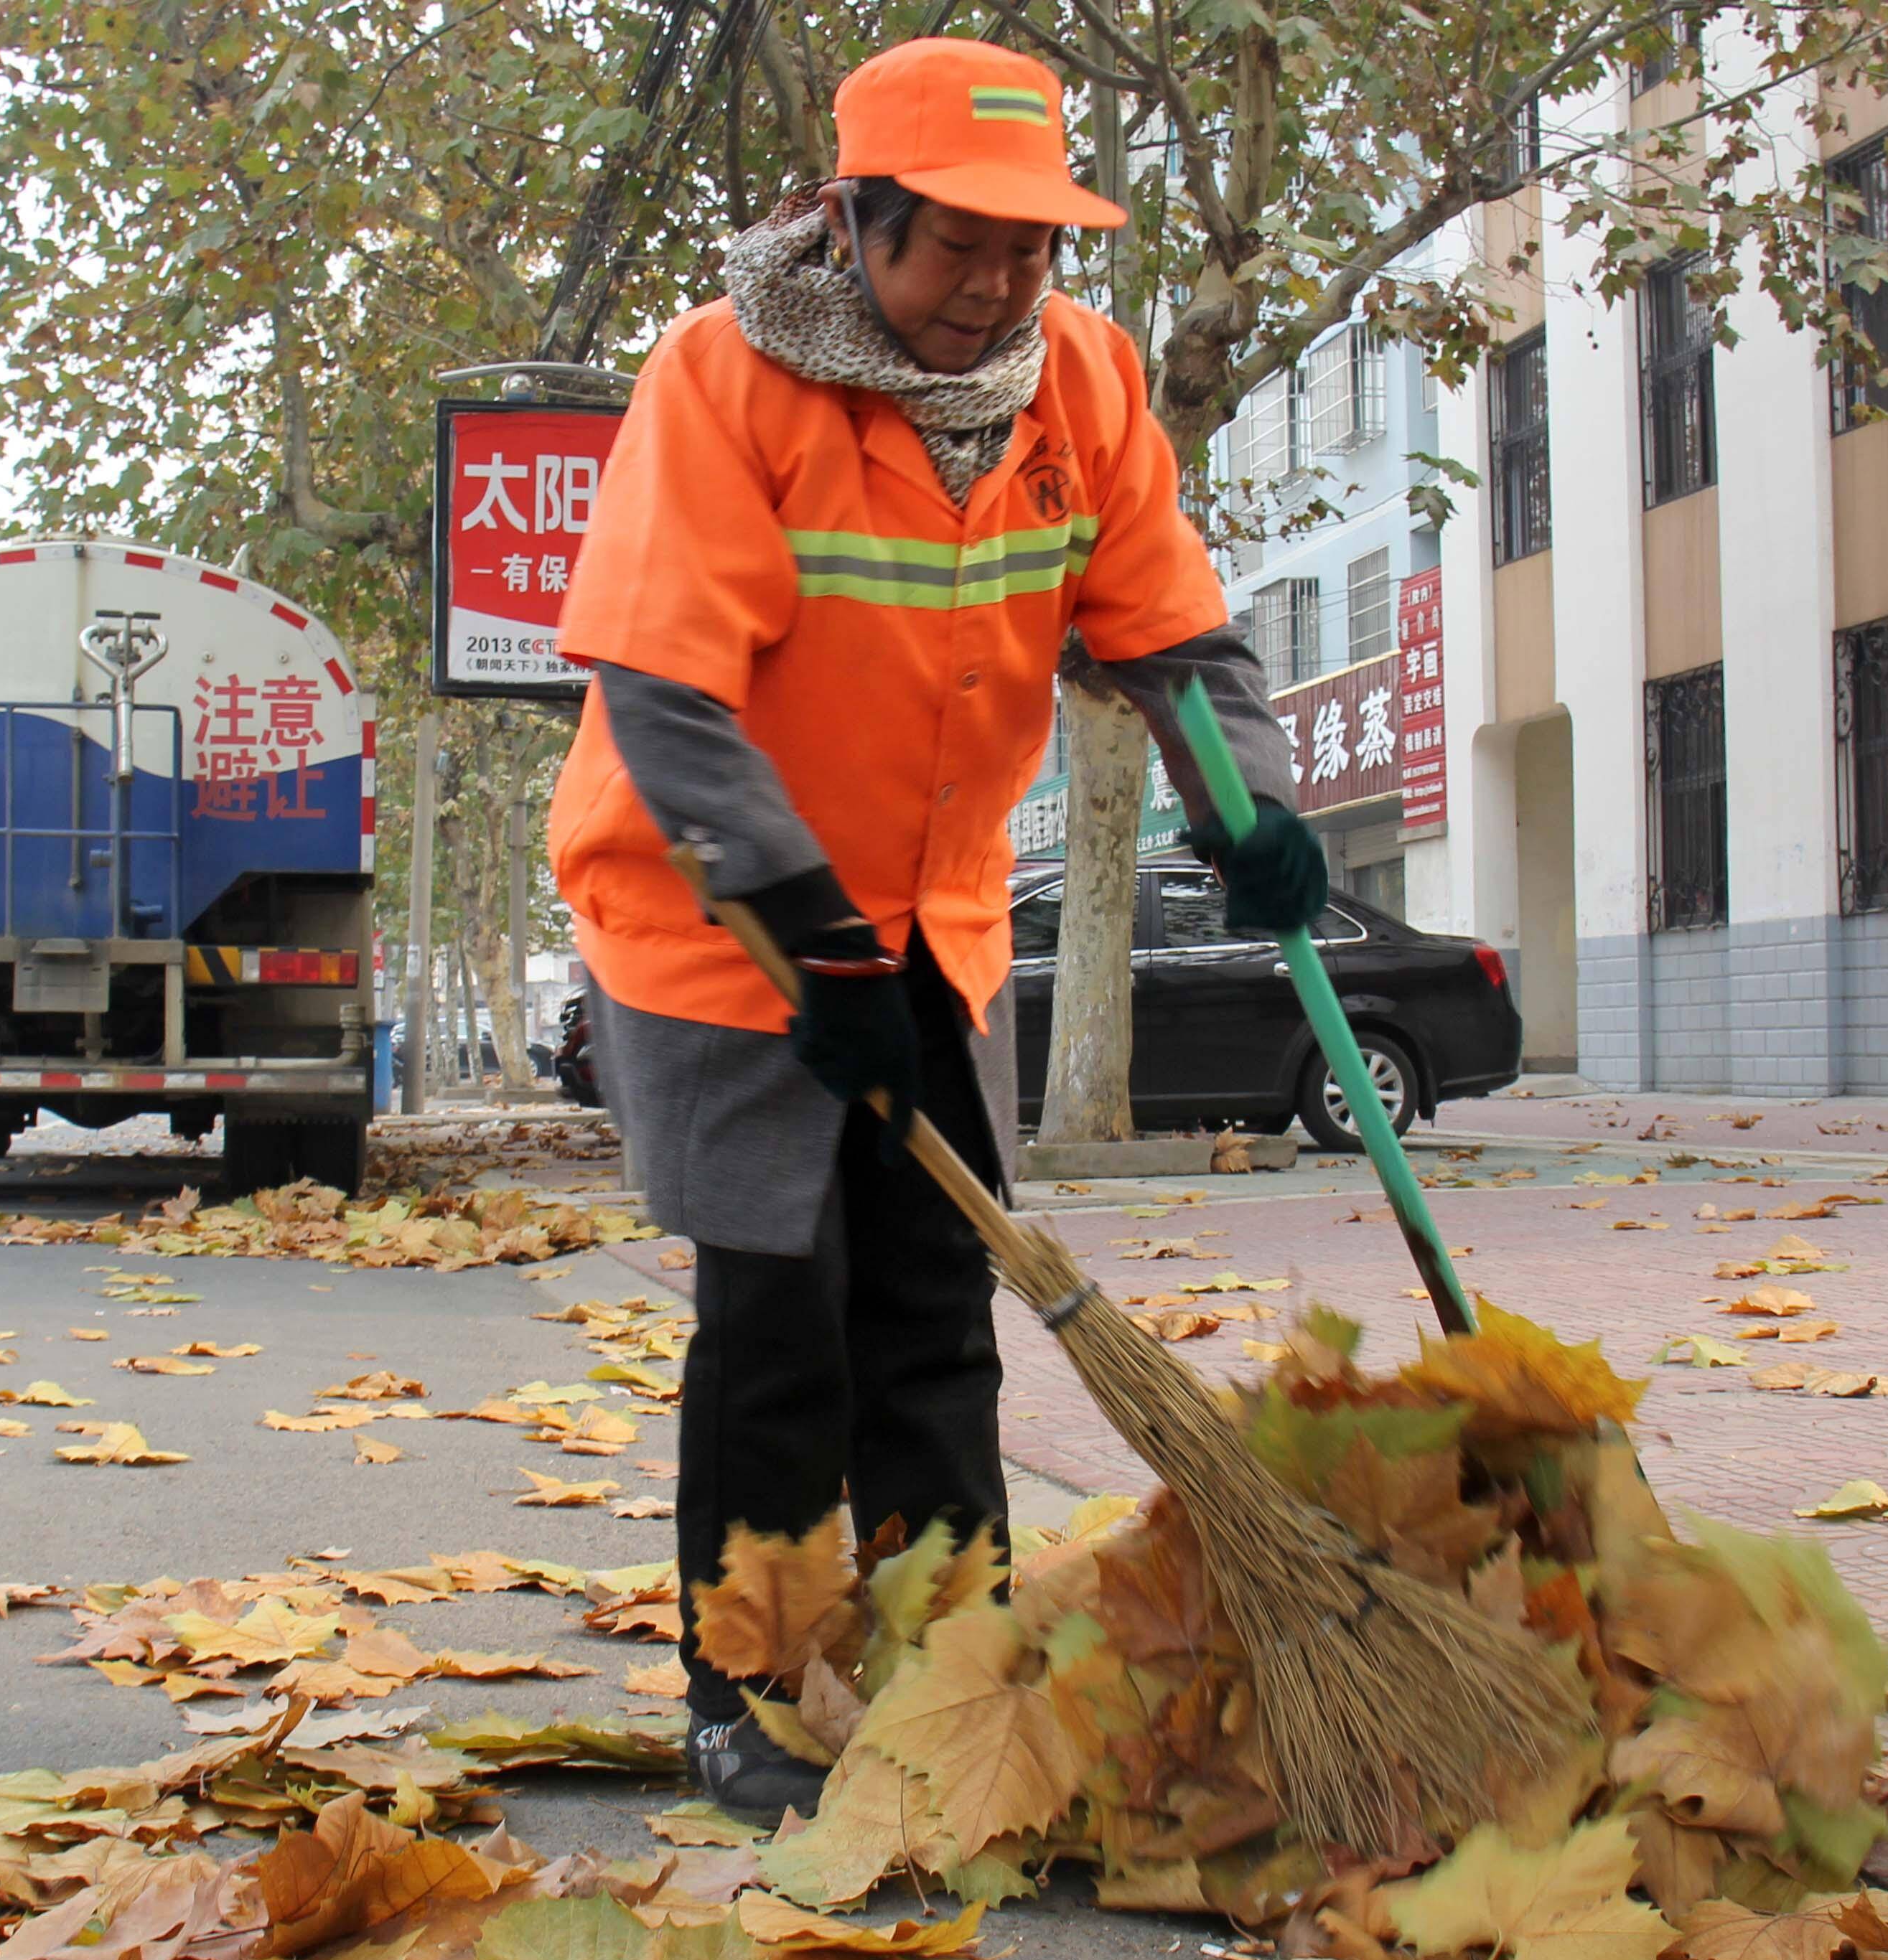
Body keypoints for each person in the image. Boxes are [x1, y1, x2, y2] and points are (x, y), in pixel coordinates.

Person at [546, 37, 1327, 1822]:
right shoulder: (725, 377)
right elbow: (667, 694)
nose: (992, 286)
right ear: (856, 220)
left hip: (940, 914)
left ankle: (943, 1662)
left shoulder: (1086, 385)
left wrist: (1255, 814)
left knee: (932, 1302)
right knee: (780, 1309)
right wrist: (809, 941)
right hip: (719, 916)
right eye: (953, 245)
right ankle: (743, 1683)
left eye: (1027, 250)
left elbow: (1175, 647)